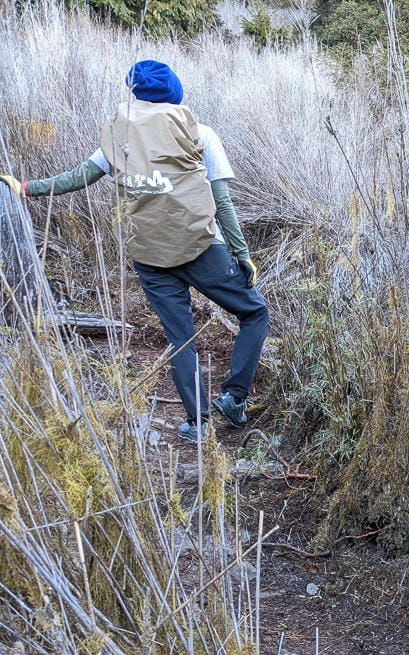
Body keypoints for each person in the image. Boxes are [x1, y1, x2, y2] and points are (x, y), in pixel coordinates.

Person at [1, 60, 268, 443]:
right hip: (201, 248)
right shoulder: (199, 132)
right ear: (175, 92)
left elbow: (78, 178)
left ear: (136, 94)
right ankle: (233, 398)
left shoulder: (120, 139)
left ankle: (198, 424)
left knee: (182, 337)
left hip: (149, 256)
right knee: (255, 311)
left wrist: (25, 188)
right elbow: (222, 201)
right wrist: (242, 255)